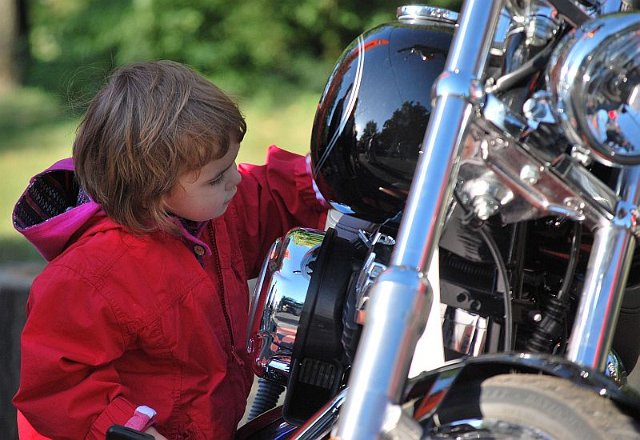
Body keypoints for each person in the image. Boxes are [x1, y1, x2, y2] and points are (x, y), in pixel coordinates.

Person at [12, 60, 328, 439]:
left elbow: (269, 199)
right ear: (152, 190)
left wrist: (328, 175)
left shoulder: (211, 212)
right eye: (217, 177)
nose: (235, 179)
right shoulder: (92, 273)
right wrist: (133, 431)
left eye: (231, 164)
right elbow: (61, 382)